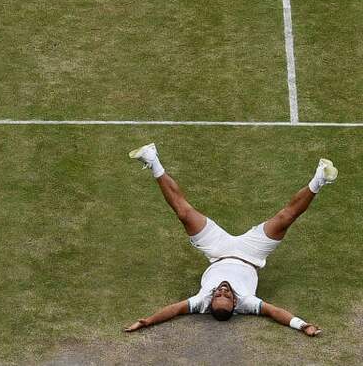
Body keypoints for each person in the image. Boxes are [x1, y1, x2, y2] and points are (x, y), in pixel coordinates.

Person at [124, 143, 338, 336]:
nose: (222, 291)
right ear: (235, 303)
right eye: (226, 296)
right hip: (251, 254)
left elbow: (173, 310)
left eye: (218, 296)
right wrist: (303, 325)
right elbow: (275, 312)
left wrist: (146, 322)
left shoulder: (201, 301)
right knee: (285, 218)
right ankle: (320, 177)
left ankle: (152, 159)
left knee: (184, 213)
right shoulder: (248, 302)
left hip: (218, 251)